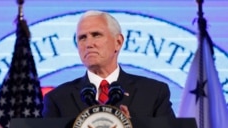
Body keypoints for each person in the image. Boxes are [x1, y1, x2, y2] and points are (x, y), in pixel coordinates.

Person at [42, 10, 175, 118]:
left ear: (118, 42)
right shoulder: (58, 99)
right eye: (82, 38)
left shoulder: (153, 93)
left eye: (96, 35)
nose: (88, 44)